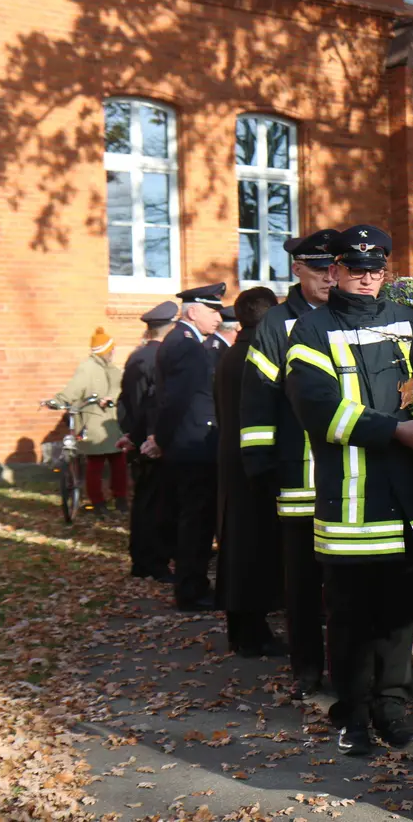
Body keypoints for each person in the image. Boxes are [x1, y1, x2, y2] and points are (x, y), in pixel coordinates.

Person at [286, 225, 413, 757]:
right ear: (335, 271)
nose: (367, 278)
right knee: (348, 618)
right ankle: (352, 713)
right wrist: (397, 429)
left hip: (410, 499)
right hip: (351, 503)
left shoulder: (412, 322)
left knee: (399, 615)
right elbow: (319, 409)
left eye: (376, 269)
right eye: (356, 269)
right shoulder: (310, 330)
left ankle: (391, 708)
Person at [239, 230, 339, 700]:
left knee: (346, 582)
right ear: (297, 270)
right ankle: (306, 666)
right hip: (299, 478)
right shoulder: (278, 324)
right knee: (301, 582)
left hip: (351, 478)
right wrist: (261, 470)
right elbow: (258, 402)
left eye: (333, 267)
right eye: (319, 269)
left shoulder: (350, 314)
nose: (329, 276)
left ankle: (348, 665)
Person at [214, 287, 286, 657]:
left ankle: (243, 629)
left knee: (240, 548)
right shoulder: (257, 356)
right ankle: (251, 633)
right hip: (252, 465)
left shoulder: (232, 352)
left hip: (232, 463)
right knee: (252, 550)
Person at [150, 282, 226, 611]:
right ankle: (191, 589)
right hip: (192, 445)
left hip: (188, 442)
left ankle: (192, 585)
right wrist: (161, 440)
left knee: (193, 519)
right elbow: (175, 401)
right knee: (195, 521)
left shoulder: (183, 342)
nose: (218, 319)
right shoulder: (187, 346)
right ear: (193, 312)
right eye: (213, 311)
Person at [117, 301, 178, 581]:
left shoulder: (137, 356)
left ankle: (143, 560)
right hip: (150, 441)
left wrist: (130, 432)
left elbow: (125, 402)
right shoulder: (157, 359)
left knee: (144, 502)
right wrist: (152, 436)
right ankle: (152, 561)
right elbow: (155, 403)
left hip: (138, 436)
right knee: (154, 504)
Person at [52, 327, 127, 518]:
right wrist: (60, 399)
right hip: (98, 422)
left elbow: (117, 387)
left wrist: (110, 397)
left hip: (106, 423)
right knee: (104, 462)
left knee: (109, 463)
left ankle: (108, 501)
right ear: (107, 350)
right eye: (112, 349)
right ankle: (108, 502)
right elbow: (74, 389)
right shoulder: (90, 368)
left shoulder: (107, 368)